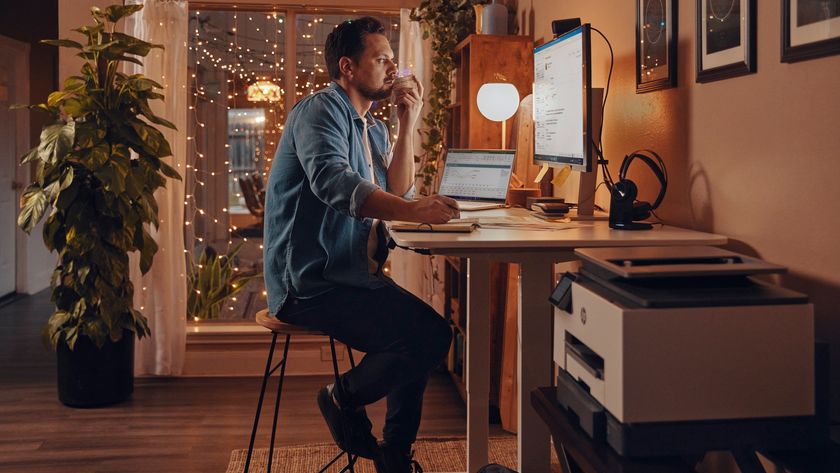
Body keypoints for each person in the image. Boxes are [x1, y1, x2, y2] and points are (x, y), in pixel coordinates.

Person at [263, 16, 458, 473]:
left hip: (353, 278)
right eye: (382, 58)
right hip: (309, 284)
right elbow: (334, 181)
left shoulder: (371, 128)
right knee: (428, 336)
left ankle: (393, 456)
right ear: (348, 67)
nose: (393, 68)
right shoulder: (320, 110)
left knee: (422, 334)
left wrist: (408, 121)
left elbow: (401, 191)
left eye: (393, 59)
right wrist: (413, 212)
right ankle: (340, 398)